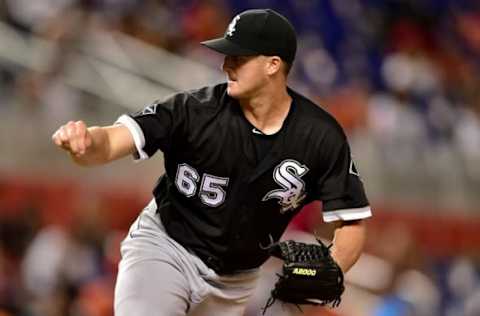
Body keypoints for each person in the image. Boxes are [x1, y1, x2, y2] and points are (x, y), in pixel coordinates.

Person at [52, 8, 372, 316]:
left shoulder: (320, 136)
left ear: (273, 64)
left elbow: (351, 220)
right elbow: (110, 141)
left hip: (234, 282)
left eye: (239, 57)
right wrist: (85, 142)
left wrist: (335, 265)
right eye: (226, 55)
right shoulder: (193, 111)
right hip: (165, 249)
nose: (226, 65)